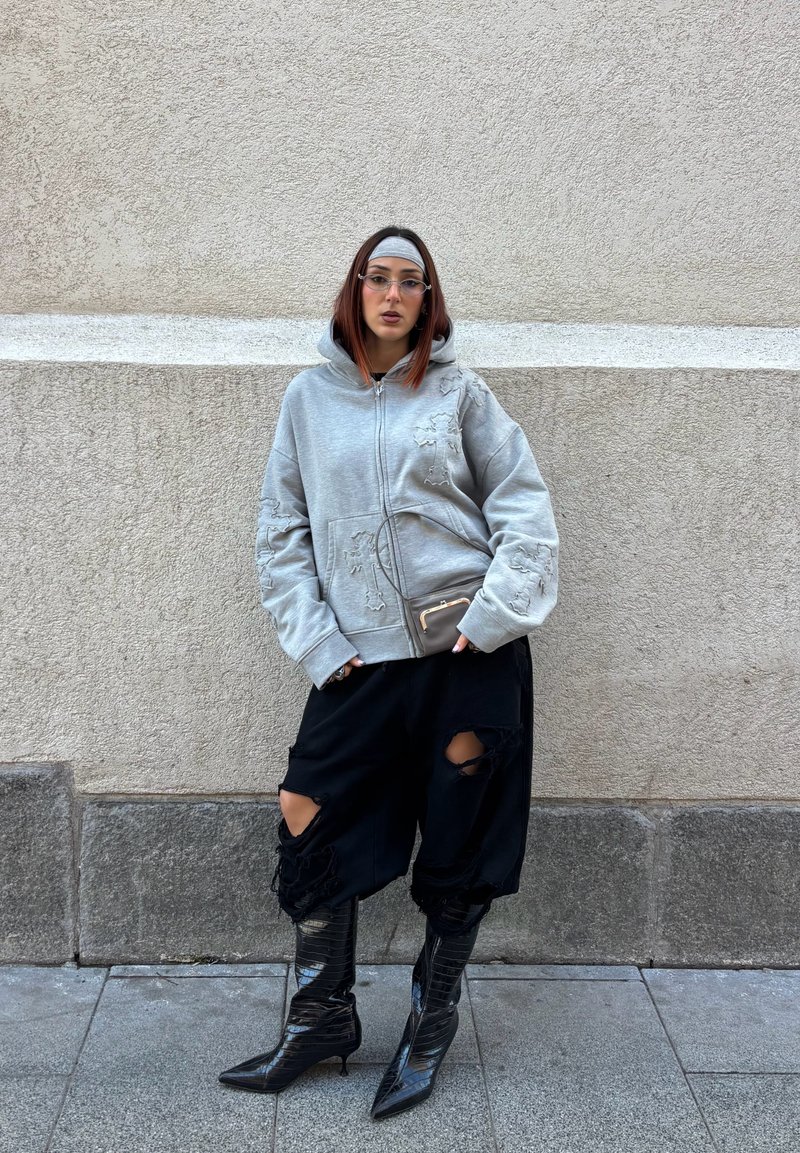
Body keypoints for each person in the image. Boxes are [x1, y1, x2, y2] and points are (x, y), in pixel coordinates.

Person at [219, 226, 558, 1119]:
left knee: (460, 835)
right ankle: (321, 1016)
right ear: (356, 288)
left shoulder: (461, 394)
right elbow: (281, 533)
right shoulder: (308, 399)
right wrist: (319, 642)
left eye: (413, 281)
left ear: (428, 299)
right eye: (380, 277)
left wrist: (494, 616)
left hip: (466, 656)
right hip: (358, 657)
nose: (394, 294)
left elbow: (524, 508)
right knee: (308, 802)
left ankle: (430, 1022)